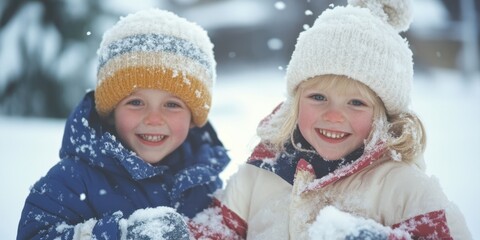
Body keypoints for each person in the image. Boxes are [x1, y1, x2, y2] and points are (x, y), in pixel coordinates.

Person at [189, 0, 472, 239]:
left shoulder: (404, 188)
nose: (334, 115)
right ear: (295, 101)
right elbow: (215, 231)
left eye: (356, 103)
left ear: (384, 115)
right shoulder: (260, 175)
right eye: (318, 98)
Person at [17, 8, 230, 239]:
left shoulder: (203, 181)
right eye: (136, 102)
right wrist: (120, 235)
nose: (154, 119)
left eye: (172, 105)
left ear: (193, 119)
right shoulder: (72, 180)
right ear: (110, 112)